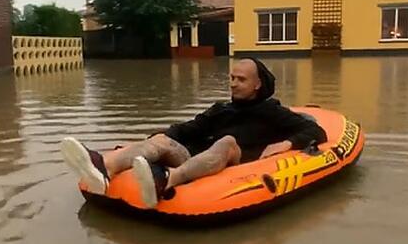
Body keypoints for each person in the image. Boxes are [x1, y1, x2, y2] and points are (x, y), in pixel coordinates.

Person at [60, 57, 327, 208]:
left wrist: (287, 143)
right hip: (194, 158)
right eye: (232, 78)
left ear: (258, 84)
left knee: (227, 141)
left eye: (241, 79)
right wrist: (156, 138)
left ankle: (166, 180)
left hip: (234, 163)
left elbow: (315, 129)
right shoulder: (221, 109)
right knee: (164, 139)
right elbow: (189, 128)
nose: (233, 84)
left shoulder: (273, 113)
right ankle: (104, 169)